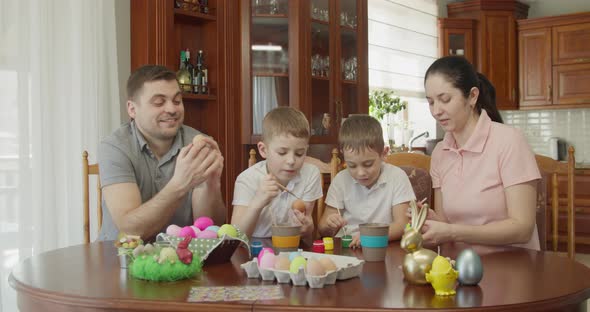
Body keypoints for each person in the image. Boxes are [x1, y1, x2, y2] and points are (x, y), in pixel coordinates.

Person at [423, 55, 540, 249]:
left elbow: (523, 228)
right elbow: (445, 223)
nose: (436, 111)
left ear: (472, 96)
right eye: (430, 102)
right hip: (459, 265)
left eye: (445, 99)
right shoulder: (440, 152)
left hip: (514, 267)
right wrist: (432, 222)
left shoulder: (509, 141)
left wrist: (452, 231)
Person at [98, 65, 225, 241]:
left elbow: (210, 230)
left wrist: (211, 185)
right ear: (132, 109)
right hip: (119, 259)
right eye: (159, 102)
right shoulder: (114, 147)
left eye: (177, 101)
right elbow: (130, 230)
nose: (172, 109)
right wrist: (180, 184)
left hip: (183, 259)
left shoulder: (197, 143)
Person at [318, 115, 415, 248]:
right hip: (346, 249)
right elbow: (323, 228)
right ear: (343, 155)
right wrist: (330, 223)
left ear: (383, 153)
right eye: (352, 165)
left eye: (368, 164)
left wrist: (371, 237)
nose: (361, 173)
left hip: (383, 247)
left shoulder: (397, 177)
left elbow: (403, 224)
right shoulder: (341, 179)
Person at [231, 107, 323, 240]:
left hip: (291, 247)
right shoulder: (247, 179)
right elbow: (236, 238)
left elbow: (306, 233)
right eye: (282, 153)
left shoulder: (310, 174)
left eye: (299, 153)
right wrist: (258, 201)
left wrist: (308, 227)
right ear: (263, 150)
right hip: (254, 251)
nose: (291, 161)